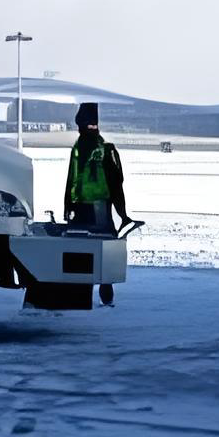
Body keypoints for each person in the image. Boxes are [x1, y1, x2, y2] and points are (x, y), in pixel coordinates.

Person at [63, 101, 130, 303]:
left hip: (88, 208)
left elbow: (72, 180)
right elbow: (116, 184)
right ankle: (102, 297)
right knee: (99, 253)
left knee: (86, 252)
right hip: (96, 208)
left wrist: (68, 206)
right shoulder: (99, 148)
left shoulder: (89, 148)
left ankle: (90, 297)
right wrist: (122, 212)